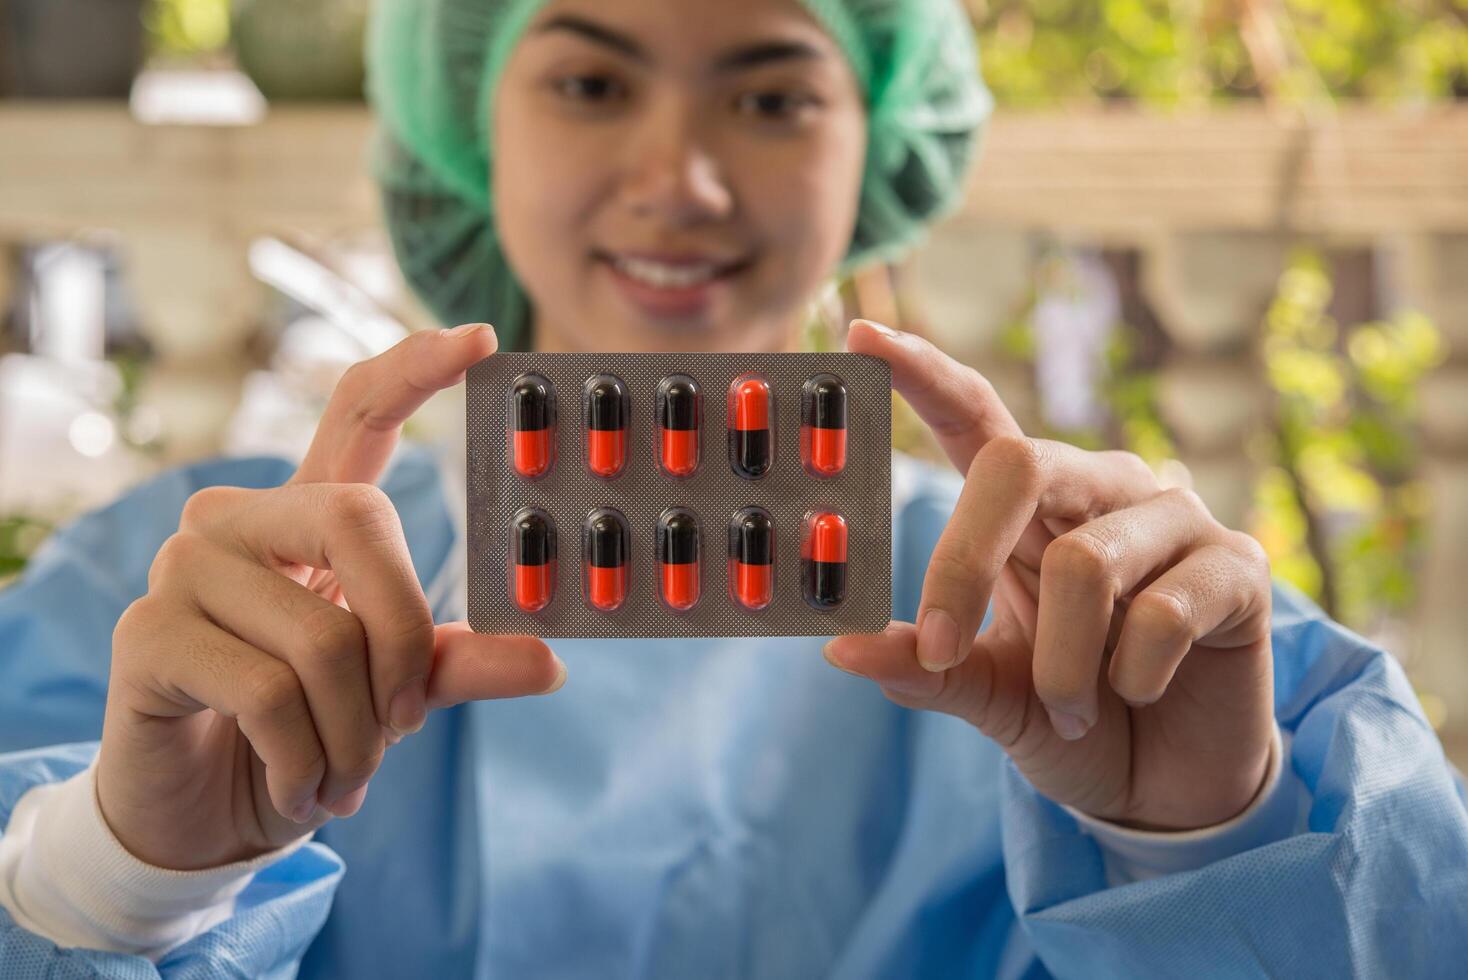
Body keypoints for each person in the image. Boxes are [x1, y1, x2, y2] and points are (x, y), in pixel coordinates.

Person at [0, 0, 1464, 975]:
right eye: (587, 79)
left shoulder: (1139, 631)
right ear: (472, 121)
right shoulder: (175, 605)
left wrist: (1207, 841)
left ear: (877, 136)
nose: (682, 176)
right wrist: (118, 876)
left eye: (771, 94)